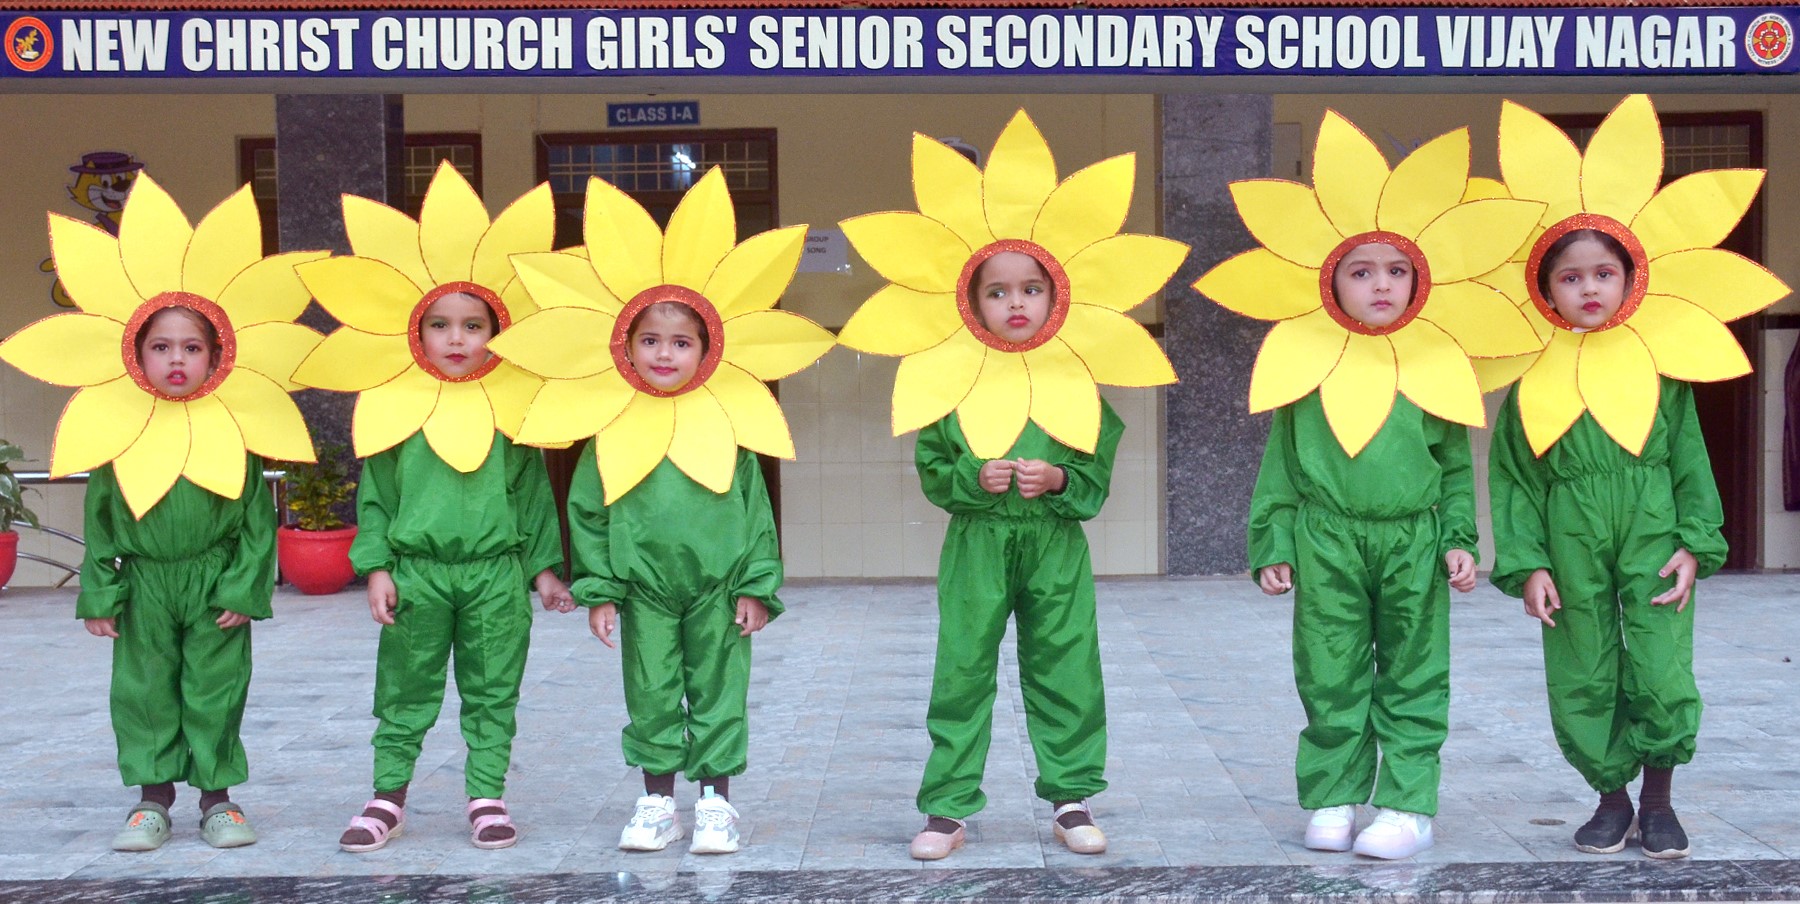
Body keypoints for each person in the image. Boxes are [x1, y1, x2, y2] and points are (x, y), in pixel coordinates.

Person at [1489, 228, 1724, 860]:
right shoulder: (1534, 380)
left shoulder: (1659, 372)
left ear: (1629, 280)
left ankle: (1659, 802)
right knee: (1581, 661)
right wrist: (1528, 561)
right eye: (1570, 278)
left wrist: (1695, 542)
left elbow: (1690, 461)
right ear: (1547, 292)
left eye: (1603, 273)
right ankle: (1612, 800)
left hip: (1654, 528)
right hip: (1569, 532)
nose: (1588, 288)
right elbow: (1516, 480)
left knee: (1660, 660)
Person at [1249, 242, 1478, 860]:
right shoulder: (1309, 366)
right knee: (1329, 668)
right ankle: (1335, 795)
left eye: (1396, 271)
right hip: (1326, 538)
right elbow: (1280, 467)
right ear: (1331, 282)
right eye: (1362, 272)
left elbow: (1455, 467)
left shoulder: (1433, 365)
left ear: (1417, 280)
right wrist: (1274, 543)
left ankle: (1408, 806)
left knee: (1414, 668)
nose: (1381, 285)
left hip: (1413, 540)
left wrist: (1459, 538)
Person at [338, 291, 572, 853]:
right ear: (417, 334)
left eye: (473, 326)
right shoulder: (398, 409)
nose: (457, 338)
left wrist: (543, 571)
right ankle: (388, 797)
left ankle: (487, 796)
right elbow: (377, 498)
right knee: (404, 685)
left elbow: (532, 497)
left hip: (495, 575)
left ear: (497, 333)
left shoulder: (509, 412)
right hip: (417, 573)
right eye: (440, 325)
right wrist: (377, 568)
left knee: (493, 687)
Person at [908, 250, 1121, 861]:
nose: (1016, 303)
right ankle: (947, 804)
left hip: (1054, 542)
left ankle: (1072, 798)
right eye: (997, 292)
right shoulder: (956, 382)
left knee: (1066, 663)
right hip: (978, 541)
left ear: (1057, 298)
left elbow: (1095, 469)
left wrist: (1059, 478)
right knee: (963, 666)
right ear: (972, 304)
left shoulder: (1074, 381)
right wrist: (974, 478)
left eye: (1031, 289)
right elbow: (932, 464)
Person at [569, 300, 782, 856]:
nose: (665, 353)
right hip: (645, 593)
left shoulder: (726, 428)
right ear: (626, 347)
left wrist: (755, 585)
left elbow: (756, 514)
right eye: (651, 340)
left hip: (718, 591)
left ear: (707, 352)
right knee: (650, 694)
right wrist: (601, 590)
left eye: (681, 342)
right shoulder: (612, 431)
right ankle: (658, 804)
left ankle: (714, 803)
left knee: (719, 693)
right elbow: (589, 515)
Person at [82, 305, 272, 852]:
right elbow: (99, 520)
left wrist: (243, 587)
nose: (176, 359)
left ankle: (217, 799)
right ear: (137, 356)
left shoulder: (232, 432)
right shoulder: (123, 435)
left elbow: (257, 521)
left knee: (217, 686)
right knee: (143, 688)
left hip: (213, 580)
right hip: (146, 583)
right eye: (161, 347)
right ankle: (152, 800)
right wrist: (100, 592)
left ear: (215, 357)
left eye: (192, 347)